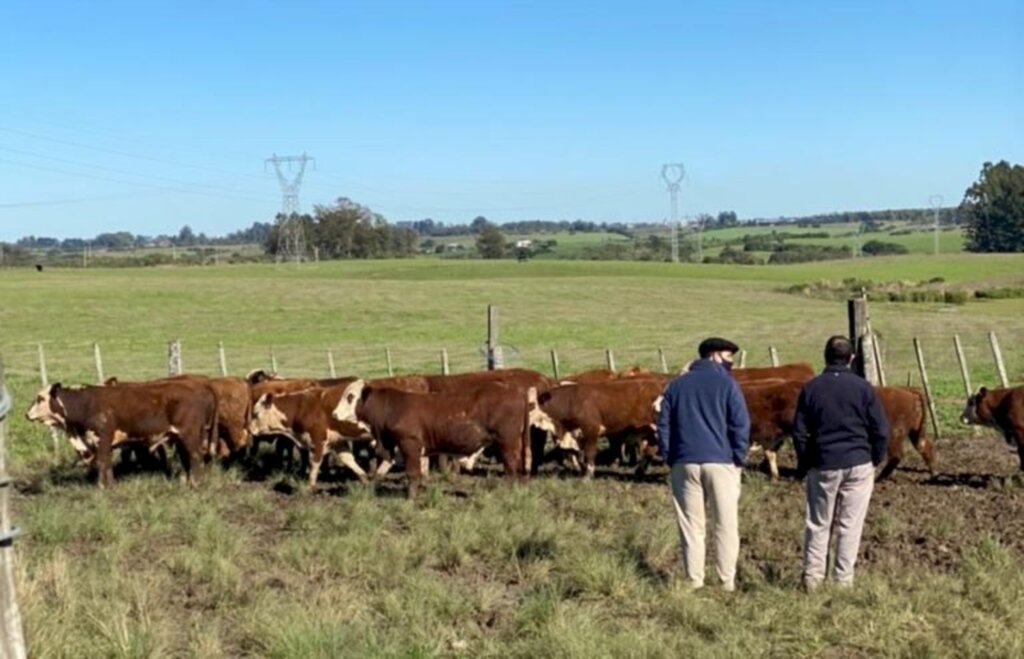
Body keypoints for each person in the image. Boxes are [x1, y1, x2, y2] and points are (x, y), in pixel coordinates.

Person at [793, 335, 890, 591]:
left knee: (818, 522)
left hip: (823, 462)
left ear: (824, 357)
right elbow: (880, 429)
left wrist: (805, 462)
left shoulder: (811, 388)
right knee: (850, 525)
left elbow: (800, 431)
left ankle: (813, 579)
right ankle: (843, 581)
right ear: (852, 359)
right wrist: (874, 459)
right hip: (858, 461)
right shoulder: (863, 388)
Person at [657, 337, 750, 592]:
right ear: (714, 356)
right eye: (728, 356)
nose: (731, 362)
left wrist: (669, 455)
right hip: (721, 462)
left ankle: (694, 580)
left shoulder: (676, 386)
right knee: (726, 524)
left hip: (684, 462)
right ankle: (726, 581)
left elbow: (663, 424)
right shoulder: (728, 385)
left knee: (691, 525)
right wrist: (739, 458)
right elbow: (740, 425)